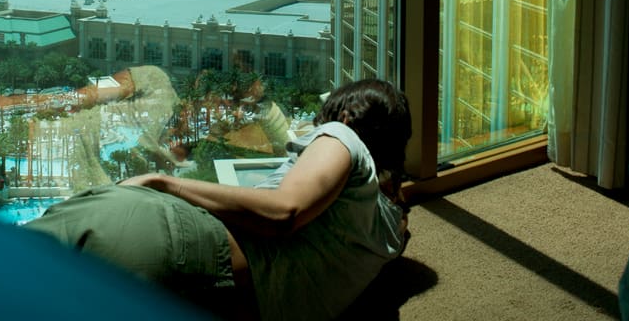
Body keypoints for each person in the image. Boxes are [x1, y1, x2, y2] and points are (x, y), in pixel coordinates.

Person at [24, 78, 412, 320]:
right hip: (219, 289)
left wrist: (164, 183)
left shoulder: (342, 137)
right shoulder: (390, 231)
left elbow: (284, 212)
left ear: (344, 115)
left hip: (179, 238)